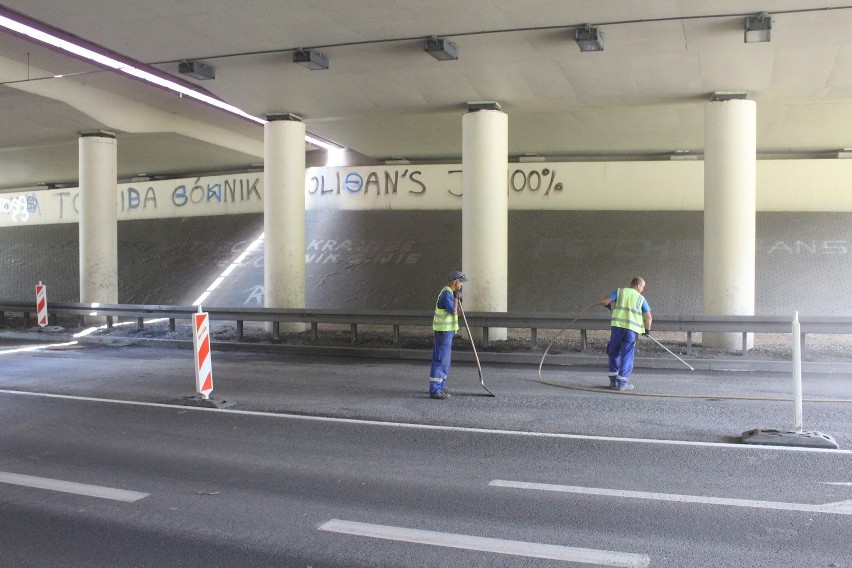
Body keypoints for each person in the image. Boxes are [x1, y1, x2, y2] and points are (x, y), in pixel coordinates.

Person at [600, 276, 652, 391]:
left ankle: (613, 381)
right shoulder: (640, 298)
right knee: (627, 355)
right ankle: (622, 383)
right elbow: (648, 317)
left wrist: (608, 306)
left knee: (613, 352)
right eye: (642, 287)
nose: (643, 289)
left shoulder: (620, 292)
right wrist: (647, 330)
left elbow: (604, 300)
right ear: (638, 285)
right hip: (631, 330)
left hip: (617, 328)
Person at [428, 270, 467, 399]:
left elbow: (457, 309)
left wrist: (458, 299)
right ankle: (435, 390)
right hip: (443, 331)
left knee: (445, 360)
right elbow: (453, 311)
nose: (461, 285)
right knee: (440, 359)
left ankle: (440, 385)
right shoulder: (446, 293)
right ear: (455, 282)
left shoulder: (450, 292)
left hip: (447, 331)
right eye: (460, 282)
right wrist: (456, 298)